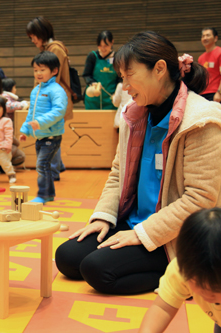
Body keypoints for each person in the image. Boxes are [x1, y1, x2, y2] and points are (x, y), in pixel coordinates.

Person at [55, 31, 221, 296]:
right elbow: (118, 172)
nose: (125, 86)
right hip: (133, 220)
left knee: (97, 270)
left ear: (159, 69)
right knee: (67, 257)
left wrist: (144, 234)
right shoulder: (135, 114)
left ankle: (182, 279)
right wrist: (104, 217)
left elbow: (200, 199)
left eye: (129, 75)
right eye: (122, 77)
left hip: (174, 236)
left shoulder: (202, 119)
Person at [138, 208, 221, 333]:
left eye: (215, 288)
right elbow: (162, 309)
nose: (207, 294)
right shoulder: (182, 269)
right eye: (198, 284)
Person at [26, 16, 72, 181]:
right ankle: (57, 165)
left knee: (50, 134)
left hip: (52, 102)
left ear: (41, 33)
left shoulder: (55, 50)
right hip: (48, 100)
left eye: (33, 36)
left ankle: (53, 170)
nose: (32, 40)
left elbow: (54, 81)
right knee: (51, 133)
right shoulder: (50, 49)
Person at [19, 51, 67, 203]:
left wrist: (41, 122)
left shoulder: (56, 90)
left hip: (51, 136)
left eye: (42, 69)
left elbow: (59, 111)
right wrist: (25, 130)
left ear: (54, 71)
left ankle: (43, 195)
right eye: (35, 70)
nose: (38, 73)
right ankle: (49, 195)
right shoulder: (36, 90)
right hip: (40, 136)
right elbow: (31, 114)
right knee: (43, 165)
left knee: (42, 165)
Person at [83, 30, 119, 110]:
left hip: (110, 99)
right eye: (100, 45)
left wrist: (117, 94)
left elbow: (120, 78)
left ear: (112, 42)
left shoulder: (117, 58)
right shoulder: (92, 56)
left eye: (106, 45)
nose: (103, 48)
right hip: (93, 100)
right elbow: (86, 75)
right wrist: (92, 82)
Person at [198, 27, 221, 102]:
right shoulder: (201, 58)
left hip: (215, 93)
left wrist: (219, 92)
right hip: (202, 94)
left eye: (208, 35)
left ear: (215, 38)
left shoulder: (219, 53)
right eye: (203, 36)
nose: (205, 38)